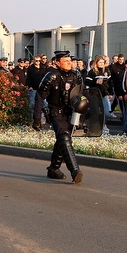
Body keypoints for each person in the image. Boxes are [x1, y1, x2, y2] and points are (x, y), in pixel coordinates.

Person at [36, 50, 84, 183]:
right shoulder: (51, 76)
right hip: (56, 112)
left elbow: (81, 94)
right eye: (66, 61)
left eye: (70, 60)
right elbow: (40, 96)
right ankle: (75, 171)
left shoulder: (76, 75)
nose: (69, 63)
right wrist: (37, 119)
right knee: (64, 137)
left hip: (72, 113)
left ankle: (53, 169)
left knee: (62, 140)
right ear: (57, 63)